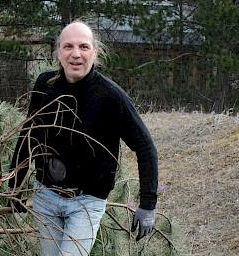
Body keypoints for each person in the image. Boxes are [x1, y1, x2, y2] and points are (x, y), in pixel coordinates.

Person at [8, 20, 159, 256]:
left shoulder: (111, 96)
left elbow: (145, 147)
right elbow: (29, 134)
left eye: (83, 47)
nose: (75, 54)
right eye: (68, 46)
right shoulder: (45, 85)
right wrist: (15, 186)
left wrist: (148, 205)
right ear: (58, 52)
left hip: (86, 203)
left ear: (95, 53)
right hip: (45, 197)